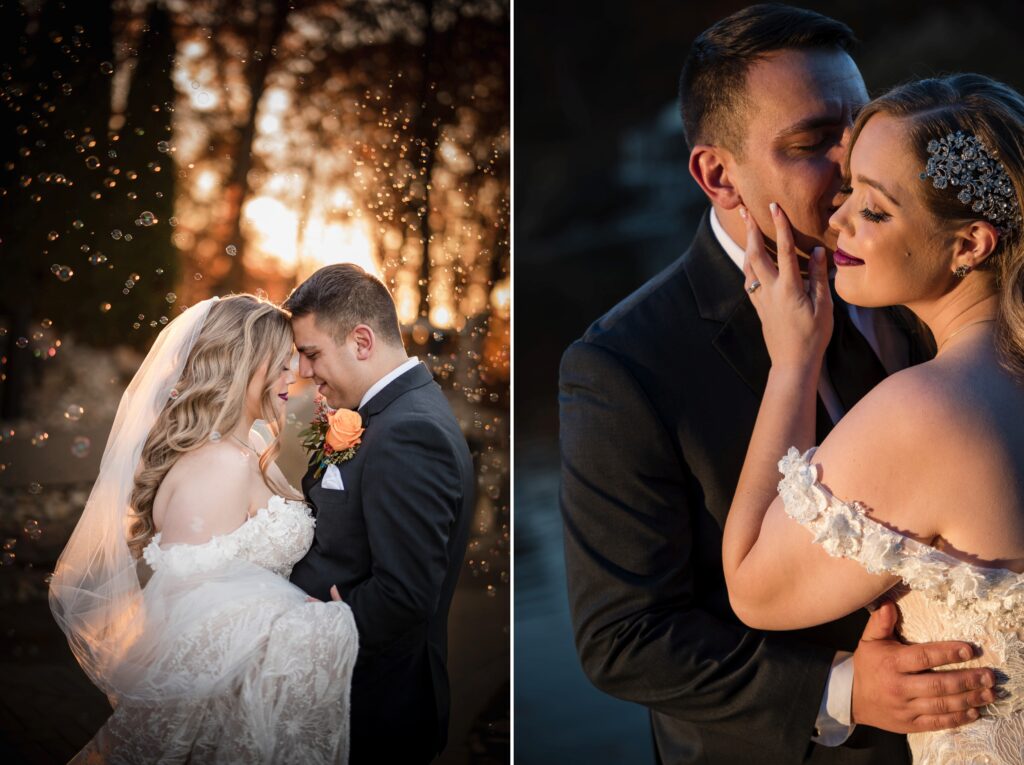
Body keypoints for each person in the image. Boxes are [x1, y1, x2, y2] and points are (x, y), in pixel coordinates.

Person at [558, 5, 995, 763]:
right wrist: (840, 687)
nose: (853, 161)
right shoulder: (622, 366)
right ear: (717, 174)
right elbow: (623, 639)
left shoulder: (932, 270)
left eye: (858, 127)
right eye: (813, 142)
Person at [723, 73, 1024, 764]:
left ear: (971, 243)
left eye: (876, 210)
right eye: (850, 188)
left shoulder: (930, 411)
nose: (838, 220)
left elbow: (751, 585)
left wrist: (793, 363)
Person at [49, 294, 359, 764]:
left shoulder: (243, 447)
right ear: (239, 364)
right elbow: (197, 622)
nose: (292, 375)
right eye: (277, 365)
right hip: (217, 714)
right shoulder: (217, 466)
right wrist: (321, 624)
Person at [285, 264, 475, 765]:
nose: (305, 372)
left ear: (362, 341)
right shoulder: (389, 415)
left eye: (311, 353)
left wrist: (307, 633)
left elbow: (404, 595)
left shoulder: (411, 433)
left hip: (374, 710)